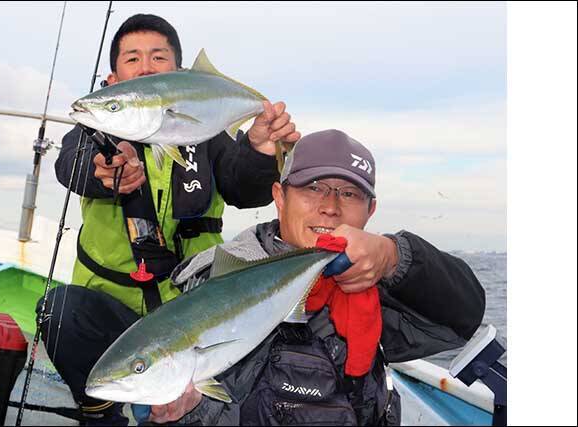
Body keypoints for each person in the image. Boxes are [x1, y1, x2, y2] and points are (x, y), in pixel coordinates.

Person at [36, 13, 300, 424]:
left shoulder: (207, 132)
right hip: (114, 303)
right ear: (115, 78)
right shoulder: (96, 128)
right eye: (132, 59)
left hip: (197, 307)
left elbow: (243, 189)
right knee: (58, 311)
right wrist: (101, 173)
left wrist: (260, 150)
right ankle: (100, 412)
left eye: (158, 57)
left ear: (179, 73)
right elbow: (70, 162)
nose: (145, 67)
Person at [149, 129, 486, 425]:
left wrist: (393, 257)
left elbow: (461, 318)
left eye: (350, 193)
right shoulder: (218, 277)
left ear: (371, 210)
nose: (330, 206)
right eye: (313, 188)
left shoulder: (372, 277)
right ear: (280, 197)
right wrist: (189, 412)